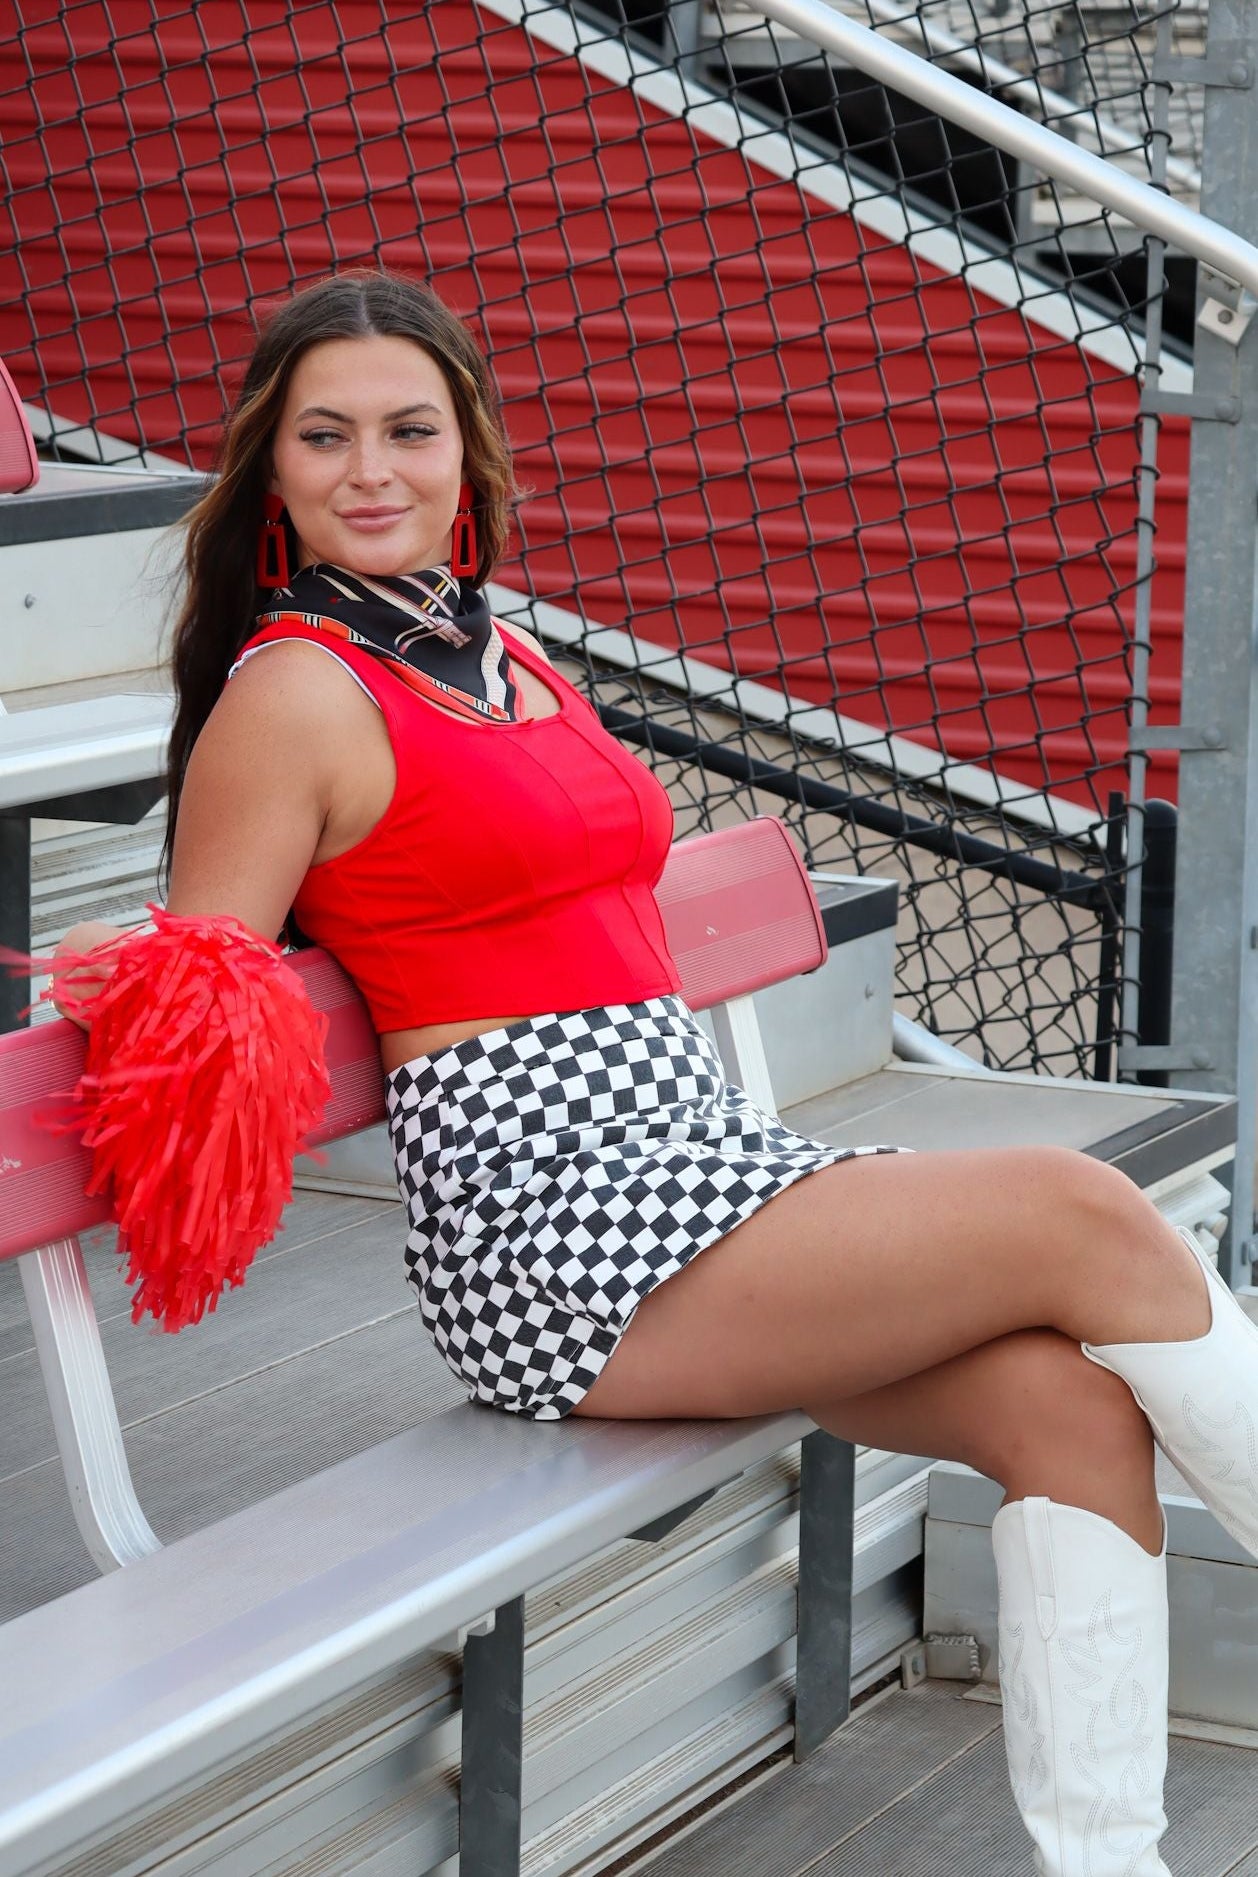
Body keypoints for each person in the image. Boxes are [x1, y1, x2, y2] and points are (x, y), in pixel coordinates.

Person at [55, 268, 1258, 1876]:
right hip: (553, 1221)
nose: (369, 470)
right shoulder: (296, 689)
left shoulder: (505, 656)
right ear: (269, 474)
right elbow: (197, 978)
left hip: (694, 1159)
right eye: (323, 436)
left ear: (467, 454)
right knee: (1078, 1210)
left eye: (408, 431)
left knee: (1065, 1412)